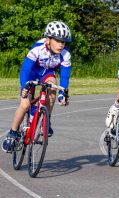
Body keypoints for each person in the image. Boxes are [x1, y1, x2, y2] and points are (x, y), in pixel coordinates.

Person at [2, 21, 72, 152]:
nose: (61, 44)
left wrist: (62, 93)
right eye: (58, 41)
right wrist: (25, 87)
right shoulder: (37, 48)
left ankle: (47, 120)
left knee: (53, 87)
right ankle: (13, 132)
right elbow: (26, 69)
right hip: (31, 73)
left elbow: (65, 76)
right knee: (25, 105)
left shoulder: (66, 54)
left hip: (47, 73)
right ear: (48, 39)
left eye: (64, 42)